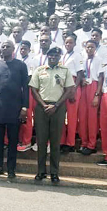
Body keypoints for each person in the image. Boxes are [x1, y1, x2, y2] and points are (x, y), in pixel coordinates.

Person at [29, 47, 74, 183]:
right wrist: (43, 105)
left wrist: (56, 105)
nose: (53, 57)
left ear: (59, 57)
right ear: (47, 56)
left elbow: (68, 90)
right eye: (51, 55)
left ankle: (54, 172)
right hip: (42, 107)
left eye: (56, 55)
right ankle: (41, 171)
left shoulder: (65, 71)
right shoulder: (39, 70)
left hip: (58, 107)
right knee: (41, 141)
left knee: (55, 142)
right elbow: (33, 89)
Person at [0, 41, 29, 179]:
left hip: (15, 109)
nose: (5, 49)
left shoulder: (21, 65)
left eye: (8, 47)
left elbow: (25, 87)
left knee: (12, 140)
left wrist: (24, 107)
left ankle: (11, 168)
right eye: (3, 47)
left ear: (13, 49)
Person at [60, 35, 84, 153]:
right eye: (66, 42)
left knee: (72, 116)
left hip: (72, 85)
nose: (68, 44)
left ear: (75, 44)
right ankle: (61, 141)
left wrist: (74, 89)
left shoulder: (77, 55)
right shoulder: (62, 55)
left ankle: (70, 143)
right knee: (61, 115)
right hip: (61, 86)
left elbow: (80, 73)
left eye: (70, 43)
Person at [78, 40, 103, 155]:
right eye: (87, 47)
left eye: (92, 47)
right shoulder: (83, 60)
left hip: (93, 86)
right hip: (84, 87)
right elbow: (81, 73)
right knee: (82, 117)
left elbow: (101, 78)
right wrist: (82, 79)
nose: (89, 49)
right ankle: (84, 143)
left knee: (92, 118)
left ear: (96, 48)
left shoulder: (99, 60)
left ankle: (91, 144)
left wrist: (97, 95)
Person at [18, 40, 40, 152]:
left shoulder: (32, 61)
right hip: (18, 91)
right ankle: (21, 140)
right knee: (19, 116)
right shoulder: (17, 60)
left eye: (25, 49)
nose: (22, 51)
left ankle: (27, 141)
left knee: (27, 115)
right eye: (21, 49)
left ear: (29, 50)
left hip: (28, 90)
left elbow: (30, 77)